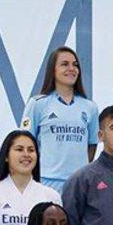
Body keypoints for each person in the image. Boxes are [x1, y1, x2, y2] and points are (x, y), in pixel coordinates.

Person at [21, 46, 98, 191]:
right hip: (46, 181)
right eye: (64, 64)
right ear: (53, 70)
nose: (71, 68)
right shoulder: (37, 104)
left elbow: (92, 145)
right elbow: (26, 142)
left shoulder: (90, 107)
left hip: (79, 184)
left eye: (75, 65)